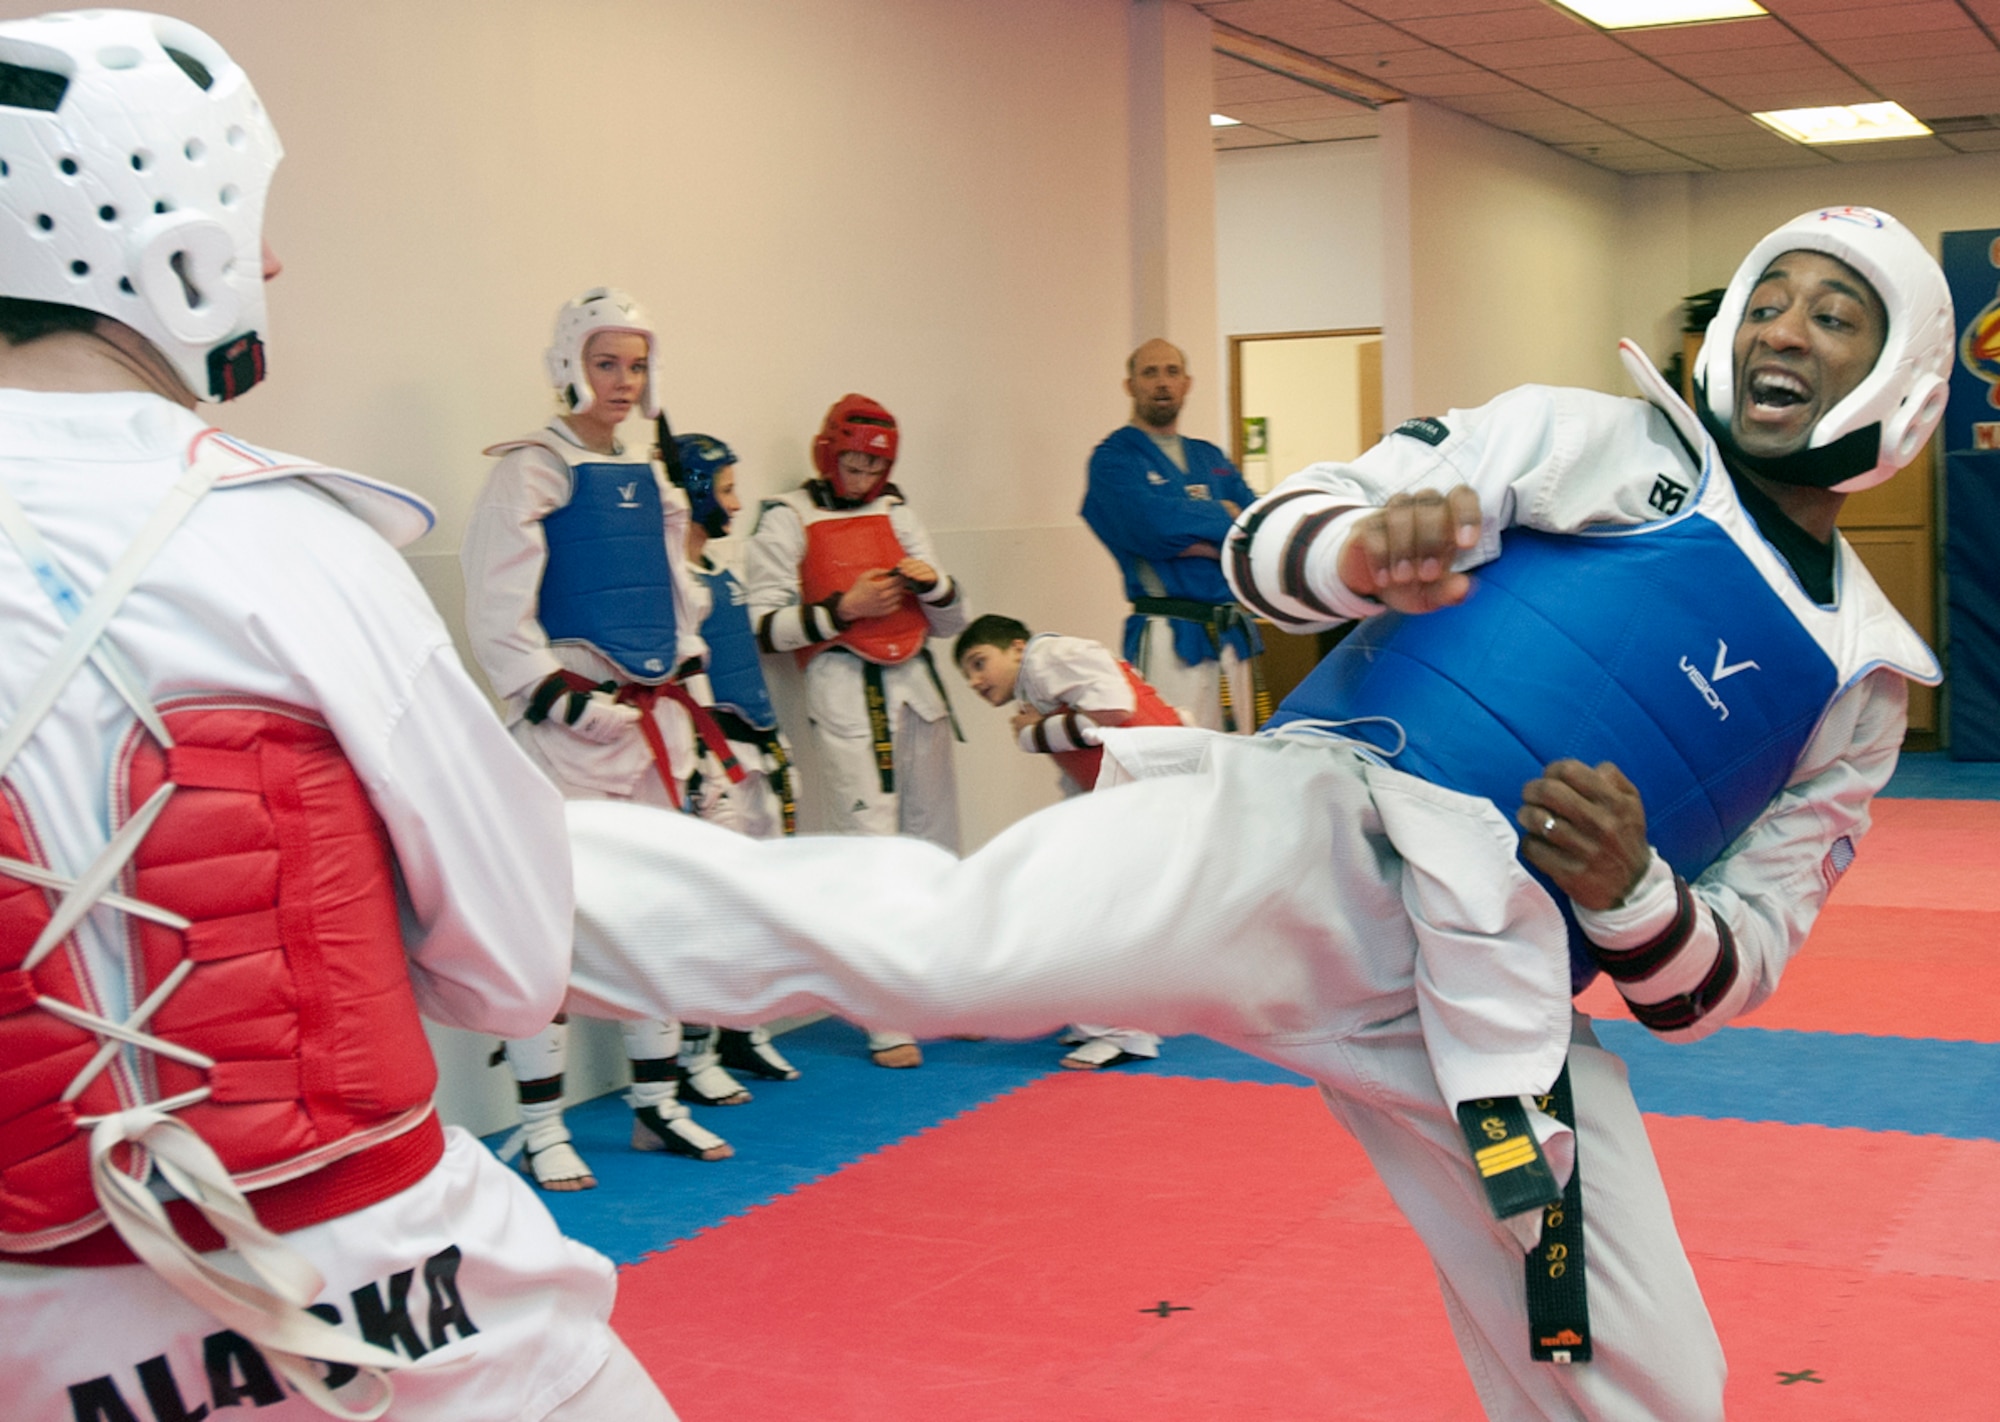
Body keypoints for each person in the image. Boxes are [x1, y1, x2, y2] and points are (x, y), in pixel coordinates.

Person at [557, 206, 1950, 1421]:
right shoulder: (1597, 439)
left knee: (1654, 1379)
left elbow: (1734, 968)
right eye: (1769, 297)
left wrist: (1634, 890)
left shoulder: (1862, 681)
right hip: (1316, 832)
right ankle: (503, 877)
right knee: (954, 944)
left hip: (1495, 1001)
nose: (1785, 329)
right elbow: (1284, 531)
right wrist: (1358, 551)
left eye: (1837, 315)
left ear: (1899, 377)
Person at [0, 12, 674, 1419]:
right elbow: (507, 962)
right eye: (252, 227)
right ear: (169, 245)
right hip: (384, 1288)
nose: (274, 262)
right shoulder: (294, 546)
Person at [461, 289, 751, 1188]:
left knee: (656, 914)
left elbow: (678, 602)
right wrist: (553, 694)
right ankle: (542, 1122)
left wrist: (698, 720)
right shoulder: (531, 469)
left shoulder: (652, 477)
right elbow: (497, 605)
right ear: (568, 365)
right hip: (570, 729)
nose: (622, 382)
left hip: (657, 721)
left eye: (635, 365)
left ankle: (654, 1101)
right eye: (605, 363)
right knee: (551, 922)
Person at [743, 394, 969, 1069]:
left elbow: (953, 621)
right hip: (843, 686)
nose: (862, 471)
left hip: (918, 686)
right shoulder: (789, 516)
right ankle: (881, 1009)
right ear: (827, 450)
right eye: (851, 458)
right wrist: (844, 609)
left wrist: (934, 586)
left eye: (874, 463)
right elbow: (763, 627)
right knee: (869, 848)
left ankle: (940, 992)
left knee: (935, 843)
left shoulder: (899, 512)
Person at [954, 611, 1183, 1071]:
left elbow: (1115, 708)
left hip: (1158, 795)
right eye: (967, 676)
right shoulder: (1041, 687)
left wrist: (1034, 734)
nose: (976, 682)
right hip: (1147, 797)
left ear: (1017, 646)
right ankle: (1107, 1022)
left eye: (980, 663)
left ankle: (1121, 1032)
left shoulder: (1049, 656)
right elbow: (1089, 764)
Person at [673, 431, 800, 1084]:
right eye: (724, 490)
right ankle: (697, 1053)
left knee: (757, 901)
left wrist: (775, 750)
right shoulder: (675, 580)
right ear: (694, 495)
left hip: (755, 748)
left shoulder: (724, 572)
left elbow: (746, 666)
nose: (737, 501)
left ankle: (746, 1027)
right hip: (711, 756)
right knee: (708, 908)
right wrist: (699, 758)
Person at [1082, 339, 1264, 732]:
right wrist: (1222, 516)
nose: (1162, 383)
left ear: (1187, 383)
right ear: (1130, 385)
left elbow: (1257, 526)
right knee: (1173, 759)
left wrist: (1199, 538)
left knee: (1237, 762)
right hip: (1168, 634)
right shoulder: (1114, 459)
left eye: (1171, 372)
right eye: (1150, 373)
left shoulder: (1210, 457)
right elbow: (1150, 527)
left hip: (1230, 634)